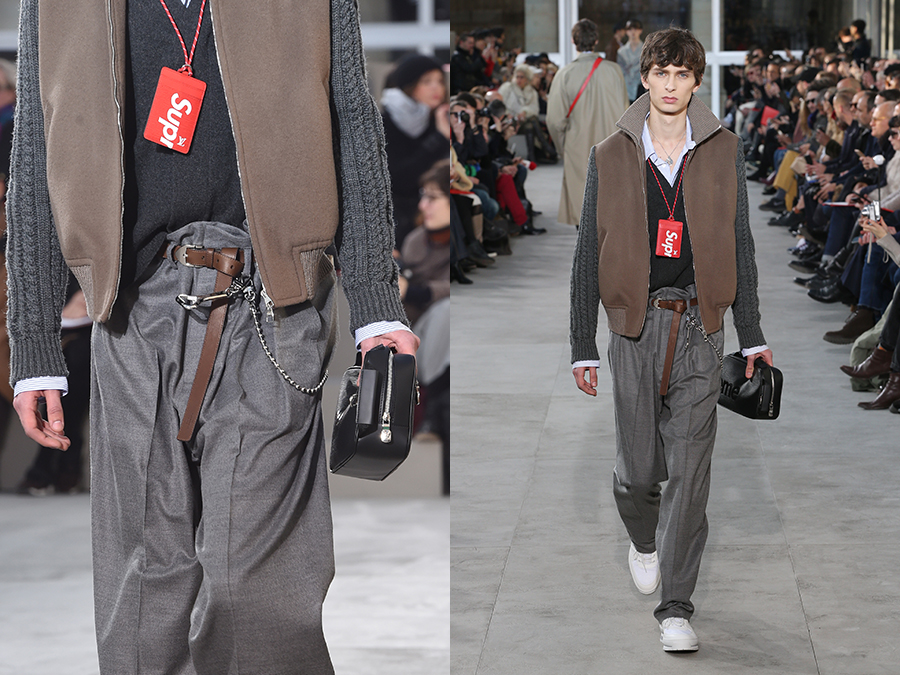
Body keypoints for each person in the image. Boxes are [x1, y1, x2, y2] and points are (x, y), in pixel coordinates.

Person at [6, 1, 418, 674]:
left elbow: (350, 113)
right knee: (144, 579)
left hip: (271, 301)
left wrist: (376, 301)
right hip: (130, 307)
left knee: (259, 582)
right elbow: (36, 144)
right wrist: (33, 344)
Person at [569, 27, 773, 652]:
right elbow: (587, 252)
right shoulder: (610, 153)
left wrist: (752, 334)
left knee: (690, 472)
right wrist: (581, 343)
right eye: (661, 72)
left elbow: (740, 242)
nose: (670, 84)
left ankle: (677, 608)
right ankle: (643, 538)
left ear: (696, 82)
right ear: (645, 77)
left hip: (698, 329)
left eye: (682, 74)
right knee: (638, 474)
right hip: (633, 328)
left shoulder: (722, 149)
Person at [546, 18, 628, 226]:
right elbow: (625, 114)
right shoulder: (614, 71)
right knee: (609, 209)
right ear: (596, 40)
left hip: (577, 147)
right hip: (611, 147)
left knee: (582, 210)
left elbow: (555, 121)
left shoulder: (564, 74)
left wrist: (562, 147)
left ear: (573, 41)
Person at [381, 53, 451, 247]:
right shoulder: (384, 122)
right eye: (427, 81)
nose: (436, 87)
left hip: (430, 212)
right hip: (396, 218)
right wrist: (439, 139)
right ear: (409, 85)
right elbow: (398, 178)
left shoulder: (438, 118)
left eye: (440, 81)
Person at [618, 19, 645, 103]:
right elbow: (620, 72)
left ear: (640, 31)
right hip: (625, 88)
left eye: (635, 29)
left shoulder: (646, 50)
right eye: (630, 29)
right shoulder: (621, 52)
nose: (633, 32)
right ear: (626, 32)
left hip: (641, 87)